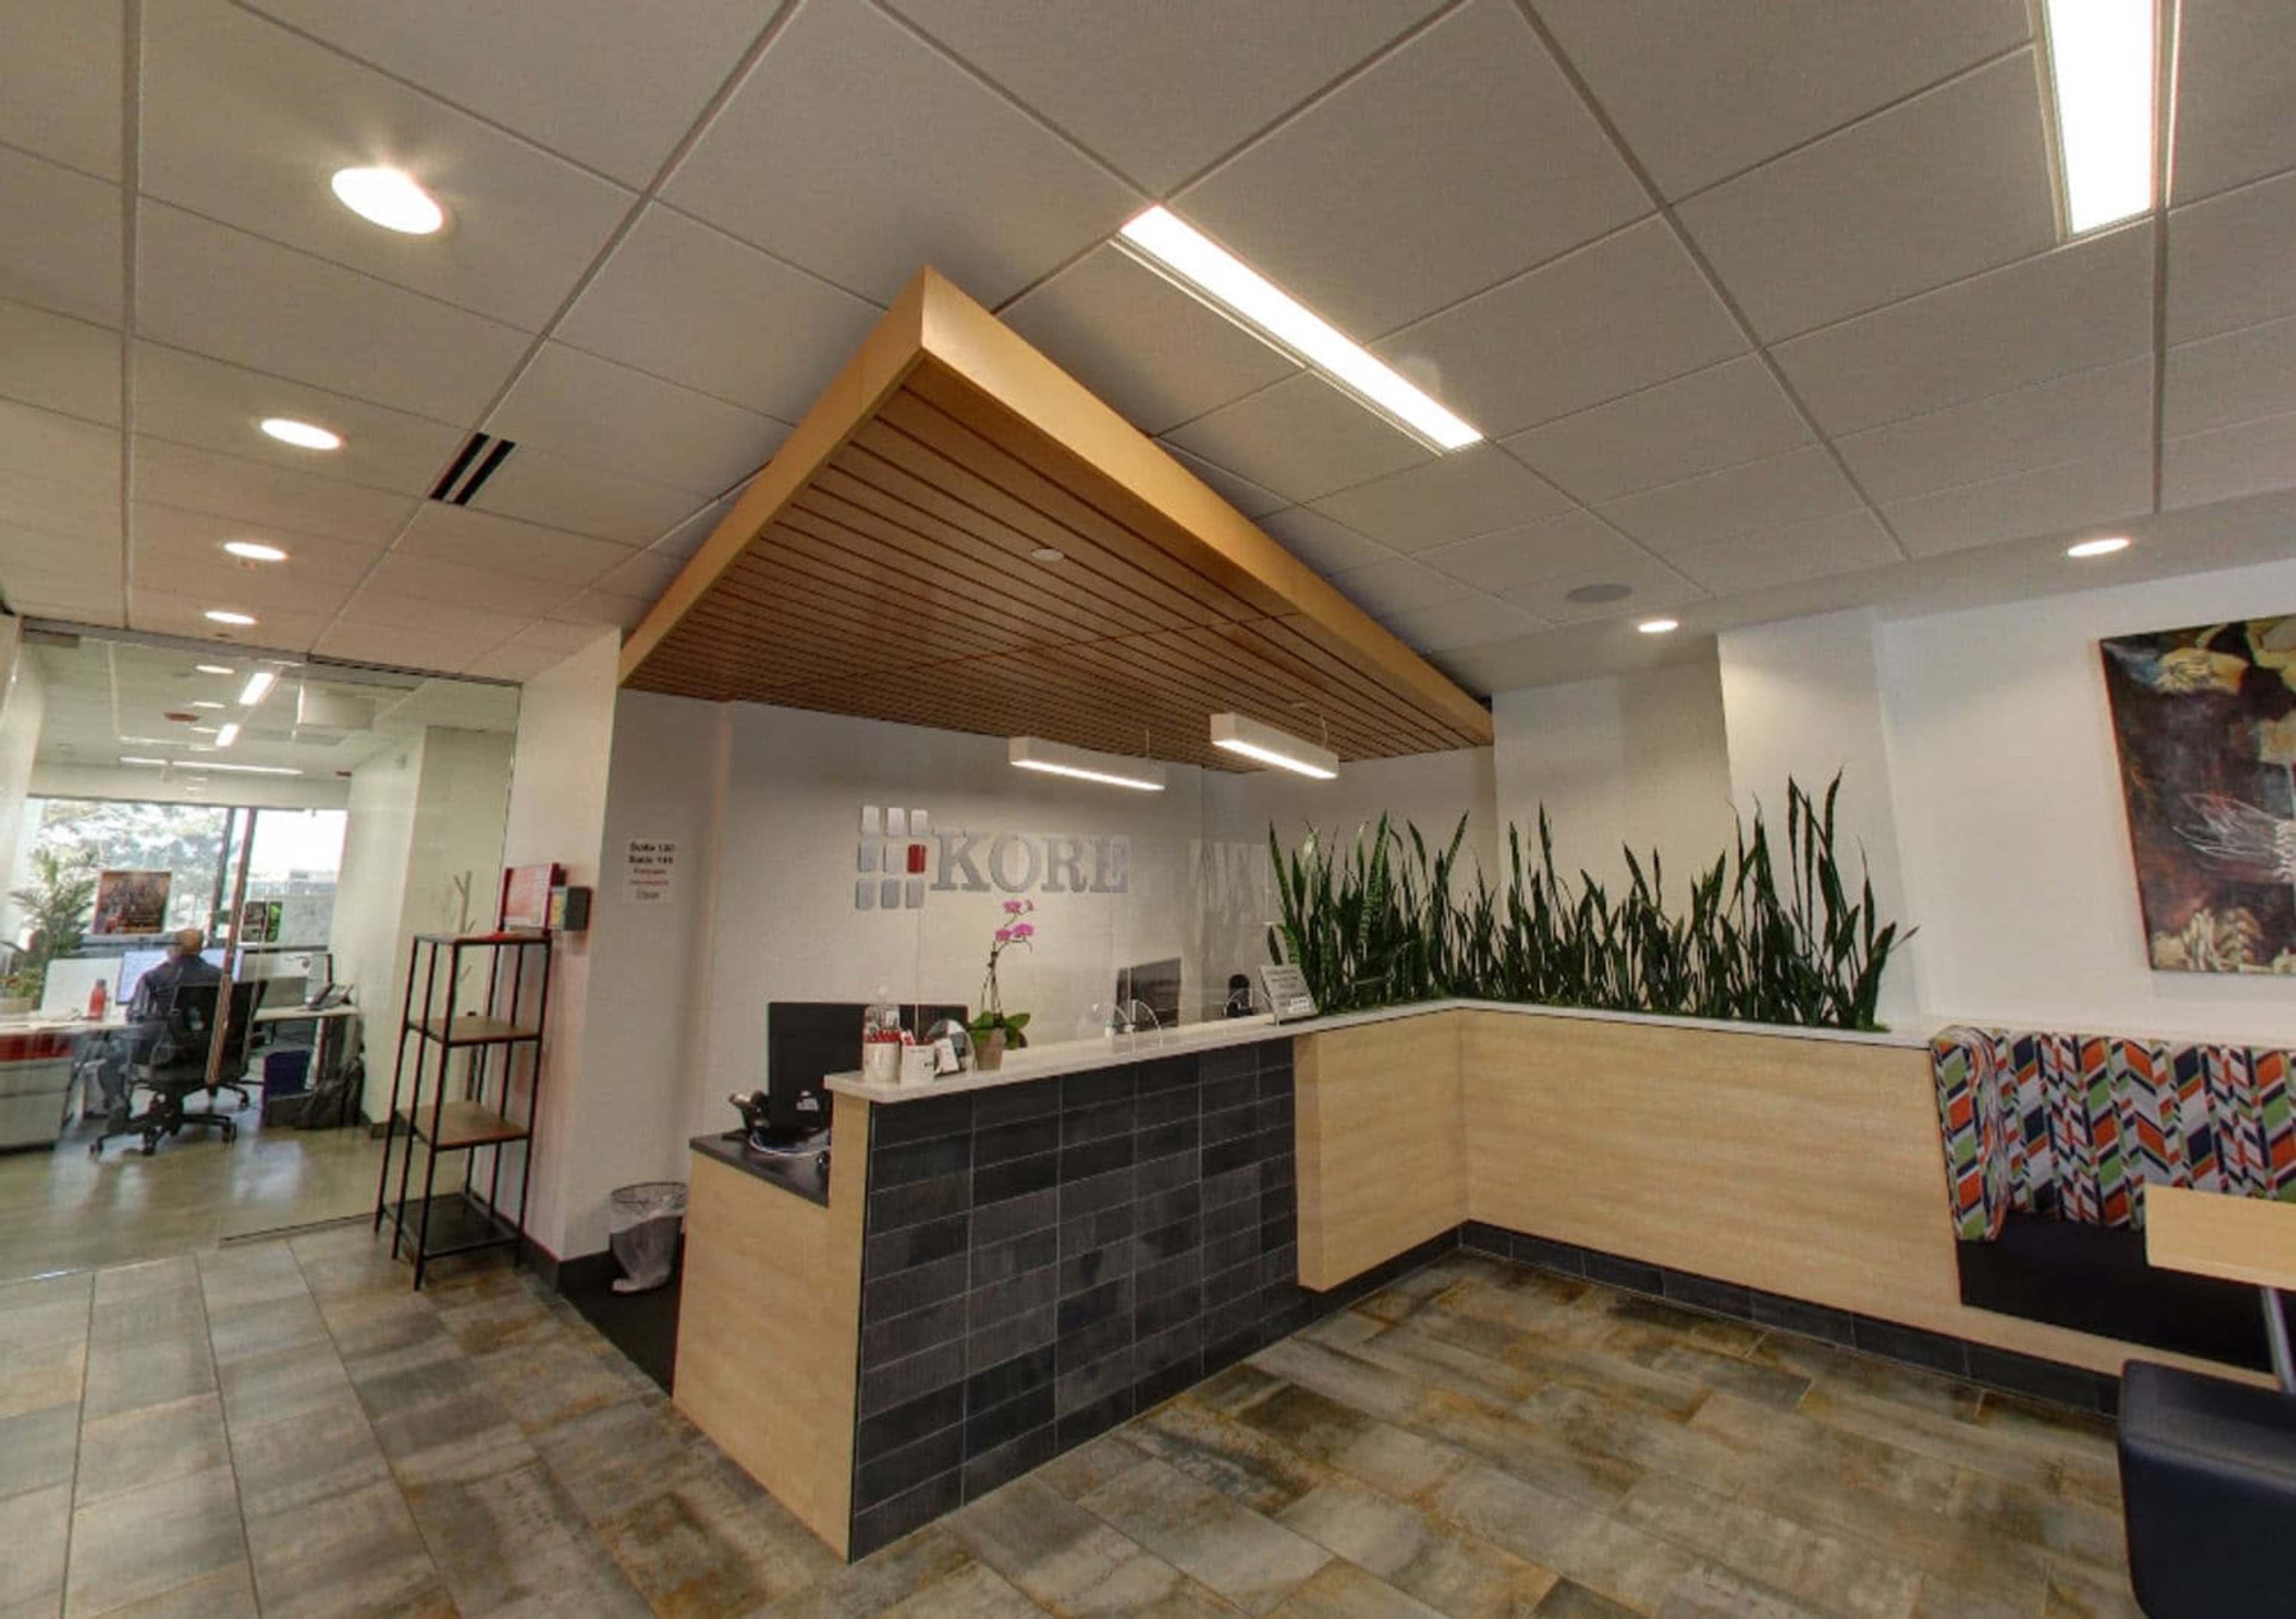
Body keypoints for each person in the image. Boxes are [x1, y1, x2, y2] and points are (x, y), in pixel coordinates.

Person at [94, 930, 222, 1122]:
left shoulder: (155, 976)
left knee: (109, 1063)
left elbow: (134, 1015)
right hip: (206, 1054)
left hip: (166, 1055)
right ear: (200, 948)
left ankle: (119, 1103)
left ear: (175, 948)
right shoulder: (219, 976)